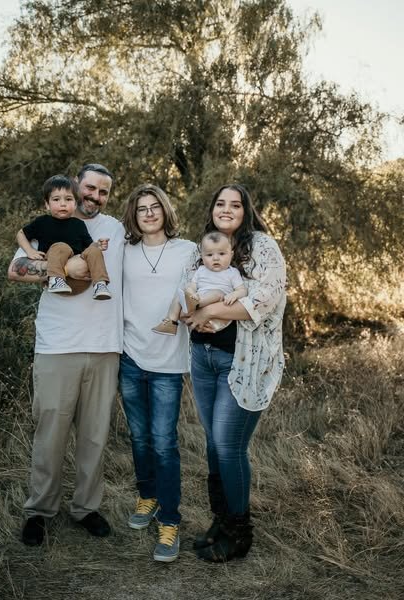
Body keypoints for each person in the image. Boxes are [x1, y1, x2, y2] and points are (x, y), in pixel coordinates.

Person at [8, 163, 124, 546]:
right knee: (51, 433)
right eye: (89, 188)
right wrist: (61, 267)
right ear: (75, 187)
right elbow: (15, 269)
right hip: (58, 346)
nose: (94, 196)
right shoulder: (49, 224)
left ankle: (86, 508)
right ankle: (39, 511)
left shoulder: (116, 230)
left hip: (105, 346)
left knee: (94, 436)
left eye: (102, 192)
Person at [184, 183, 286, 563]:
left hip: (243, 361)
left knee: (229, 446)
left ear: (246, 210)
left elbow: (264, 298)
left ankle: (240, 534)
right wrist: (193, 312)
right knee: (213, 445)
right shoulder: (203, 246)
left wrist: (209, 312)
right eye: (220, 203)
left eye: (235, 204)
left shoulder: (261, 246)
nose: (226, 209)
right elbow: (188, 291)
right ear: (212, 208)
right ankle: (221, 521)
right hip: (203, 357)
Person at [119, 184, 197, 562]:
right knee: (139, 438)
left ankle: (170, 522)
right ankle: (147, 497)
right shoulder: (124, 251)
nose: (148, 213)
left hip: (167, 362)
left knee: (164, 443)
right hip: (130, 357)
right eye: (141, 209)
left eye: (155, 207)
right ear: (133, 216)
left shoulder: (188, 251)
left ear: (165, 210)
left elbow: (199, 292)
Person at [17, 174, 112, 298]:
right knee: (61, 247)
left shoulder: (78, 224)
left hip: (81, 280)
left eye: (68, 199)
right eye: (56, 199)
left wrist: (97, 245)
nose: (63, 204)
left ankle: (100, 284)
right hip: (59, 277)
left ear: (75, 204)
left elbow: (88, 246)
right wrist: (29, 251)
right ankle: (56, 280)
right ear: (47, 204)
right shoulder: (42, 222)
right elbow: (21, 234)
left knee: (94, 251)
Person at [151, 230, 246, 335]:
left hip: (218, 315)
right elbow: (193, 286)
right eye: (209, 255)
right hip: (197, 310)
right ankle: (170, 321)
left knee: (217, 293)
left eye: (222, 254)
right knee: (181, 291)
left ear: (231, 254)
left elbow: (242, 290)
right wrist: (191, 292)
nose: (215, 258)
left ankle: (194, 304)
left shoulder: (232, 272)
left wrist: (234, 294)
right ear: (202, 256)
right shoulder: (201, 270)